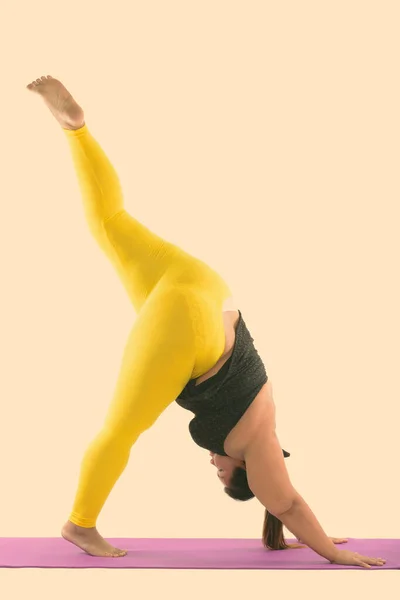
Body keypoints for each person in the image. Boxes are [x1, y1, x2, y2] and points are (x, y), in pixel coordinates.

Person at [26, 74, 385, 569]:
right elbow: (285, 502)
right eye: (221, 474)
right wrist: (332, 553)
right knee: (119, 429)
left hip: (206, 287)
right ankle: (79, 522)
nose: (214, 465)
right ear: (245, 473)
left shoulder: (268, 415)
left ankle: (77, 130)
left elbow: (286, 508)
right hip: (189, 326)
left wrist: (301, 537)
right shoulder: (258, 446)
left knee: (110, 222)